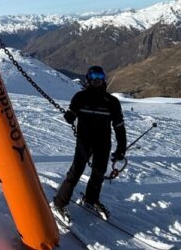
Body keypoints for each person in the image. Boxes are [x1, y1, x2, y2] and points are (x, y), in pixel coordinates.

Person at [52, 65, 127, 222]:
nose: (97, 80)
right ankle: (59, 203)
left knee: (98, 174)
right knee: (75, 173)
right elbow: (71, 114)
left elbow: (119, 126)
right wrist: (69, 116)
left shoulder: (112, 102)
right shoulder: (80, 97)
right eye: (94, 77)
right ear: (88, 79)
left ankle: (90, 200)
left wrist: (121, 147)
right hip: (84, 142)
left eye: (100, 77)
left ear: (104, 79)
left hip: (103, 143)